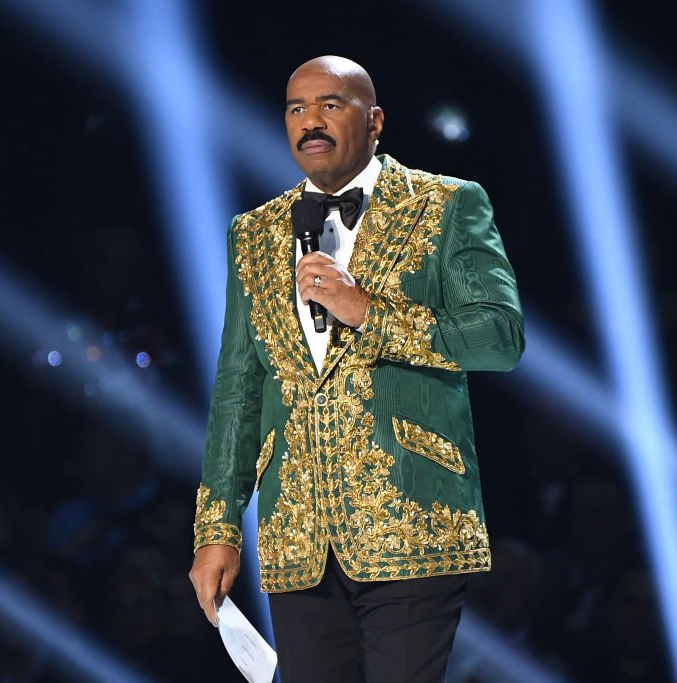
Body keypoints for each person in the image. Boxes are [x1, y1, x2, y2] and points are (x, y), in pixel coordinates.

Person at [189, 55, 524, 683]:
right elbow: (239, 385)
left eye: (330, 105)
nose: (310, 122)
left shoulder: (446, 205)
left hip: (413, 521)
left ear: (374, 122)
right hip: (297, 537)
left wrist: (368, 311)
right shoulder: (254, 233)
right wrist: (218, 527)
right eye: (296, 109)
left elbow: (501, 337)